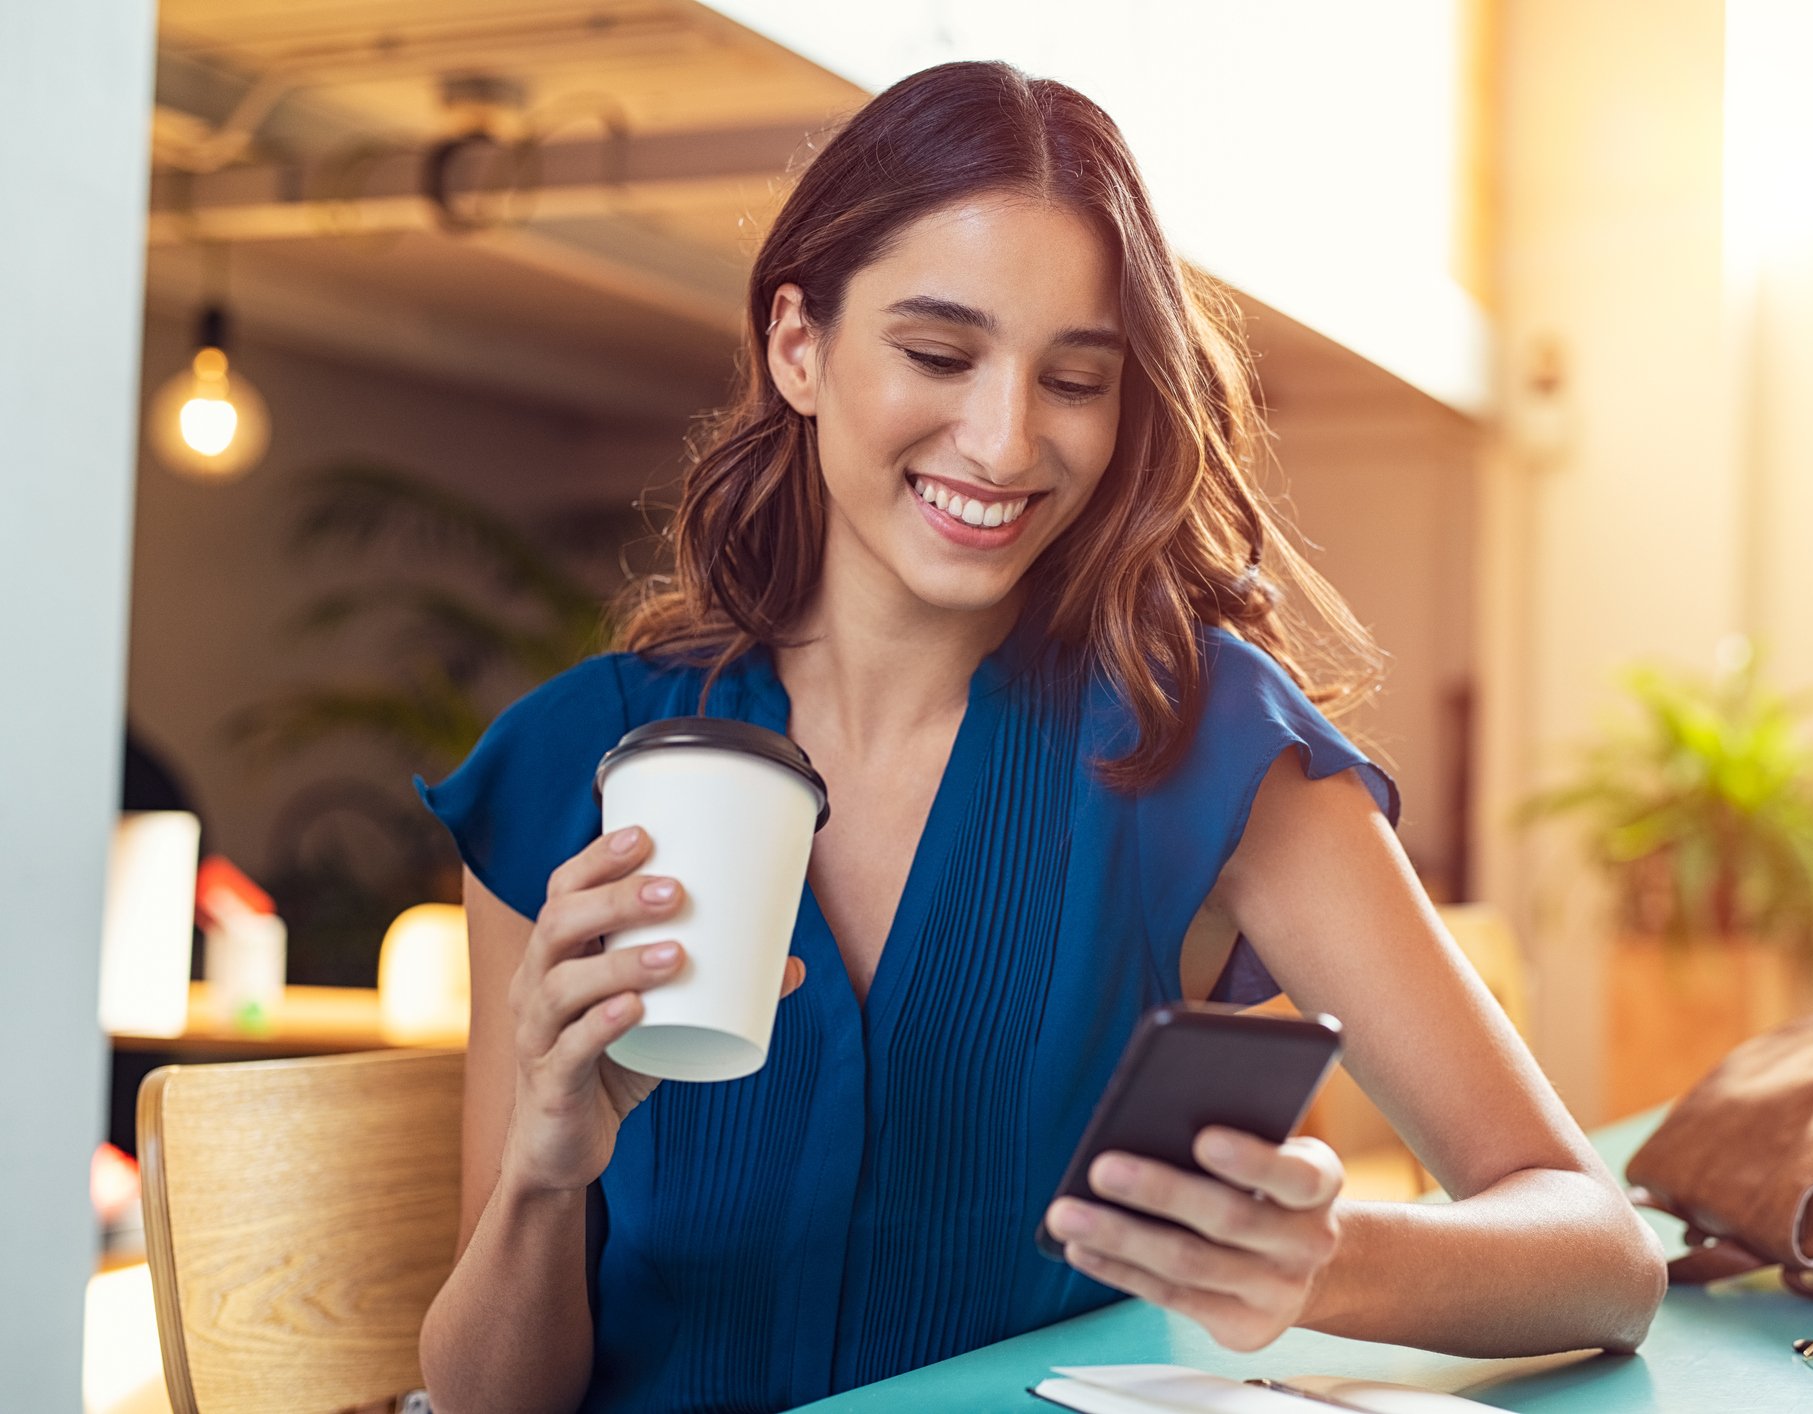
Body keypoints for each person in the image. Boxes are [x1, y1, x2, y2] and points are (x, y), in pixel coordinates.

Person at [413, 59, 1665, 1414]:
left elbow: (1602, 1256)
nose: (1006, 442)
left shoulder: (1203, 742)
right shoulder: (568, 765)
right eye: (939, 354)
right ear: (797, 344)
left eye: (1075, 378)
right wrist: (544, 1173)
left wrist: (1325, 1255)